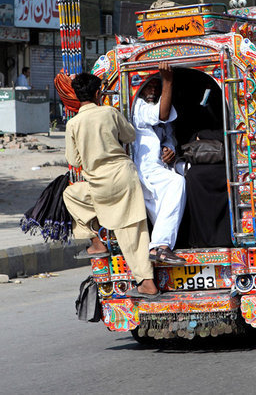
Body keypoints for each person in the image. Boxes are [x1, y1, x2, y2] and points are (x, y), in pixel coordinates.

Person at [62, 72, 160, 299]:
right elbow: (130, 136)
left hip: (98, 184)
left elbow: (74, 161)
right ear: (98, 94)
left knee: (71, 195)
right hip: (123, 177)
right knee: (133, 233)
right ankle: (146, 282)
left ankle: (96, 241)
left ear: (77, 96)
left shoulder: (73, 123)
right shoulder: (109, 112)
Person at [132, 62, 187, 265]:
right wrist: (168, 81)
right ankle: (160, 247)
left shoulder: (156, 107)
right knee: (176, 183)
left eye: (157, 85)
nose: (153, 89)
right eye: (149, 85)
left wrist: (169, 150)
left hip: (161, 166)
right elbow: (161, 115)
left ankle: (173, 241)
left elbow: (169, 136)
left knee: (191, 174)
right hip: (145, 170)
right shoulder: (139, 107)